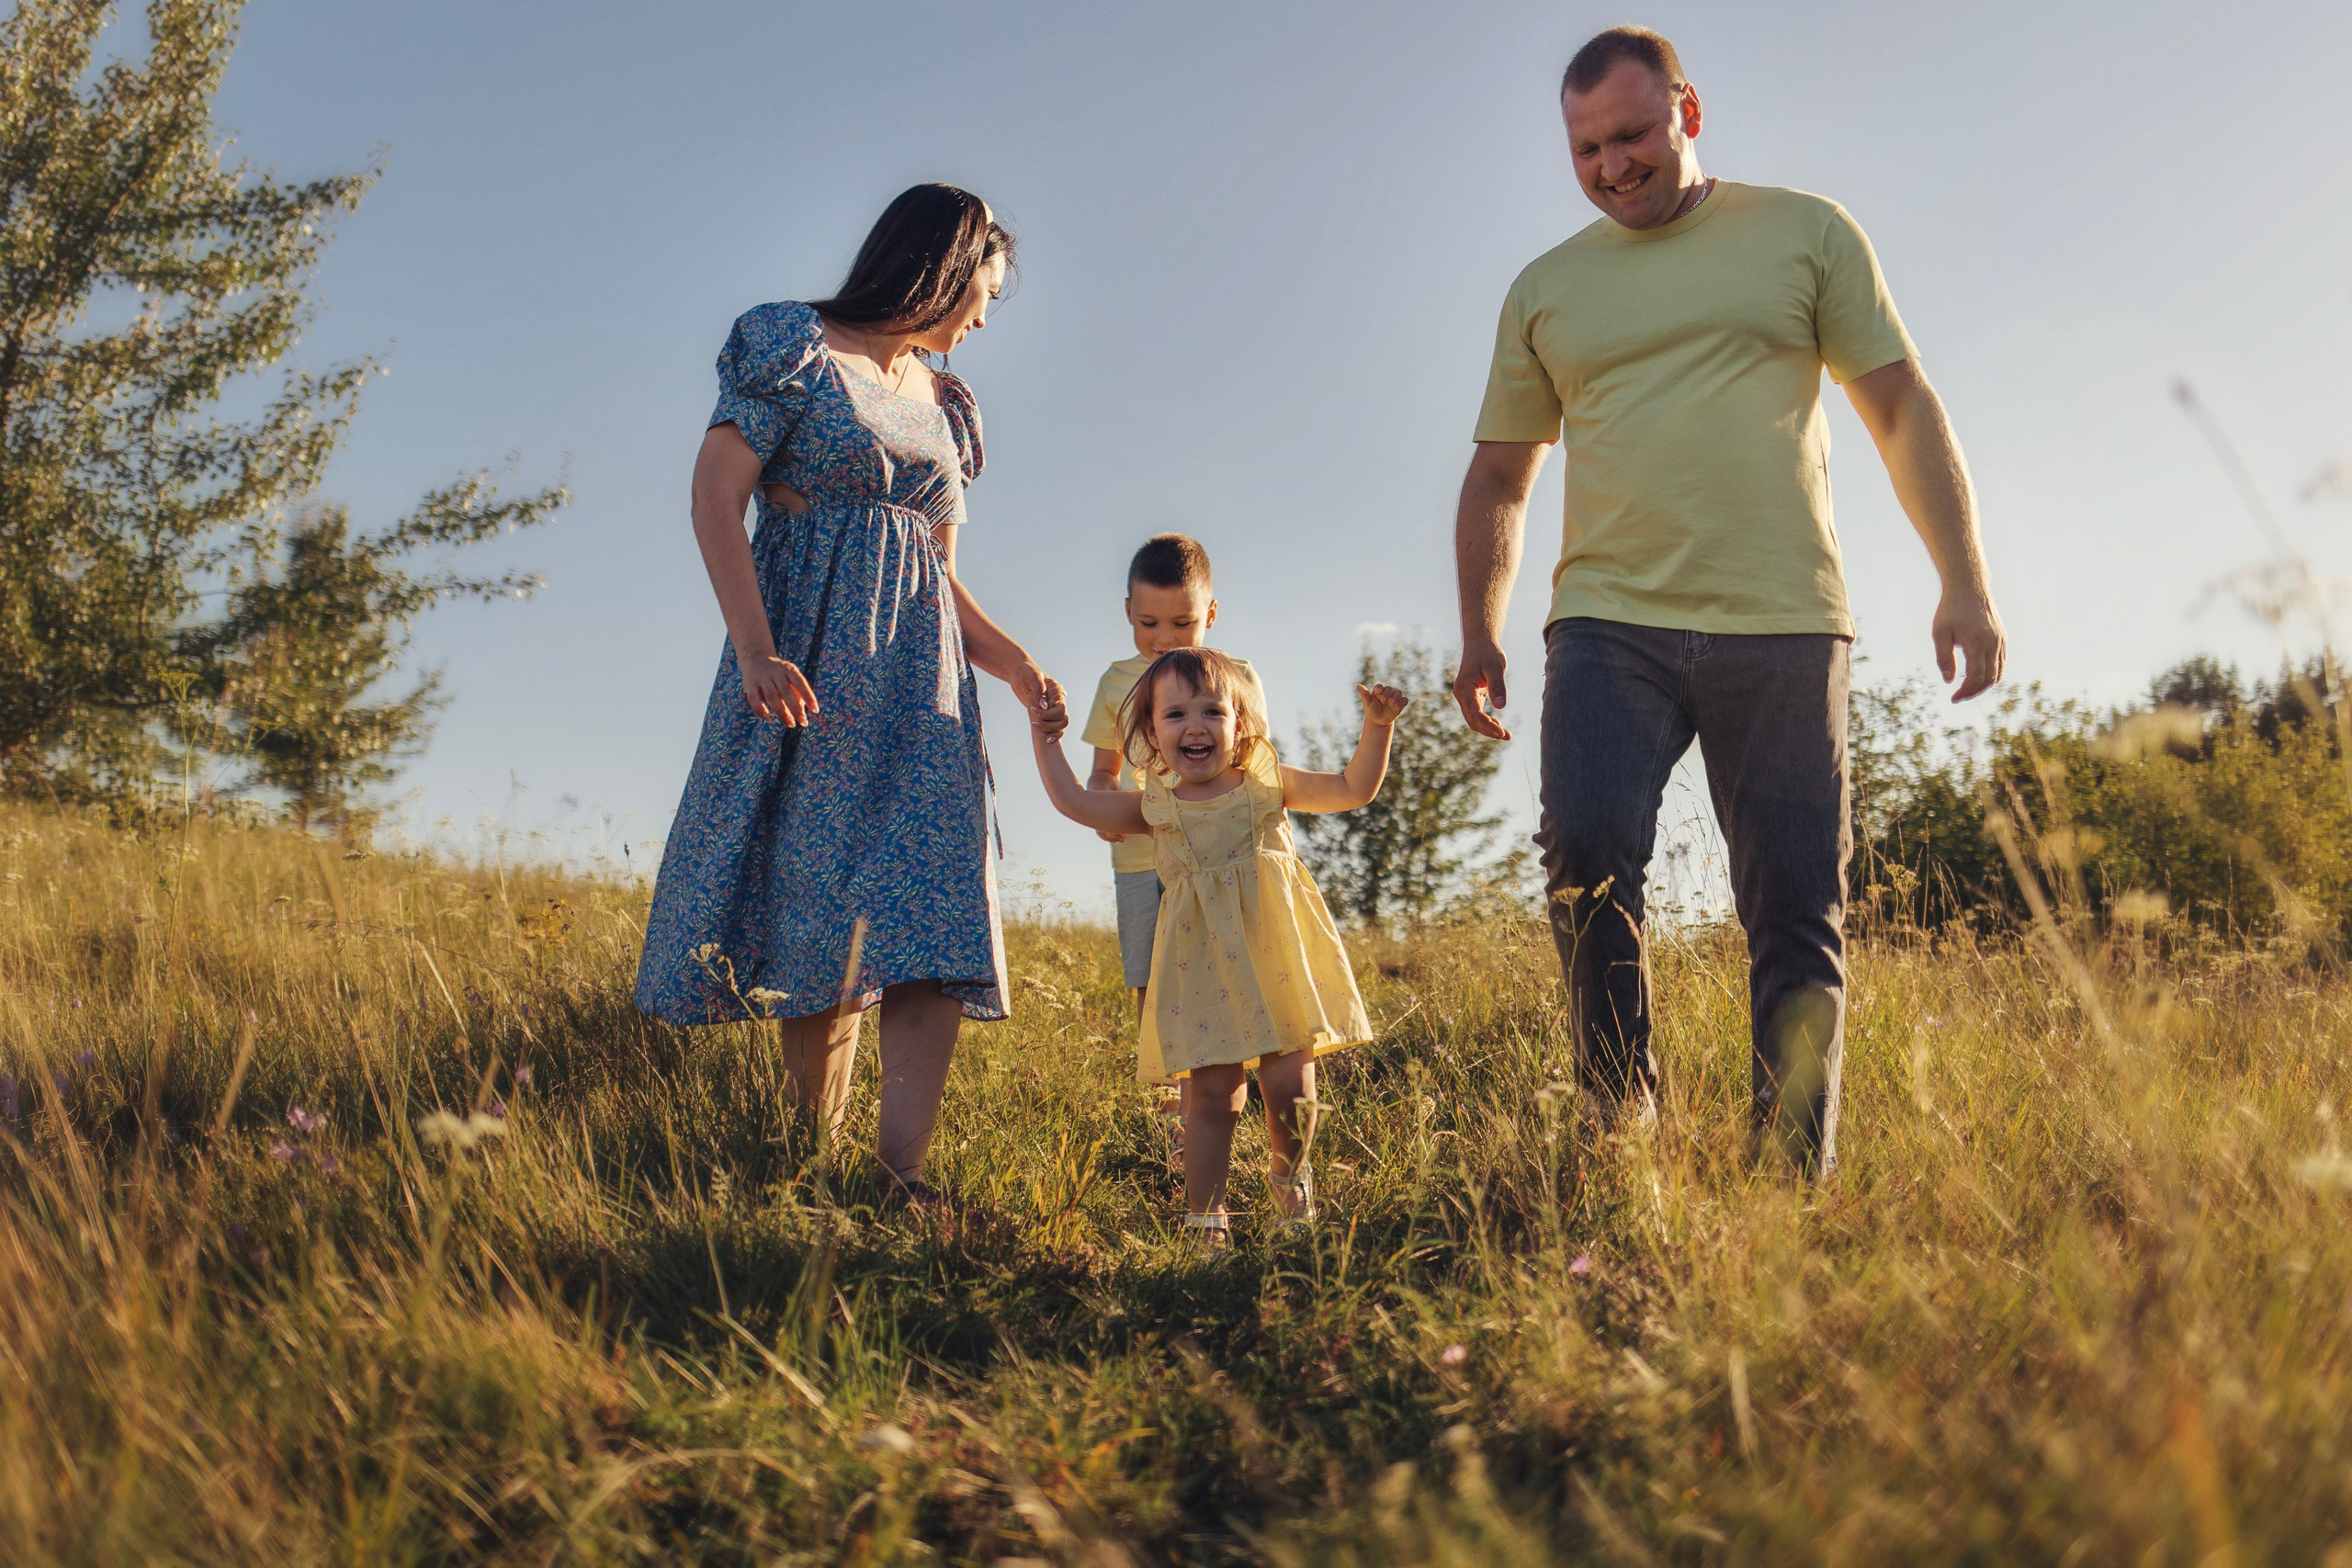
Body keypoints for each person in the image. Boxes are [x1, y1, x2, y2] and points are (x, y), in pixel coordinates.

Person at [1450, 28, 2006, 1175]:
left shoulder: (1803, 231)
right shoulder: (1546, 289)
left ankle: (1785, 1181)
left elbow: (1900, 406)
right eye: (1586, 147)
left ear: (1686, 111)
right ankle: (1619, 1115)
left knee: (1797, 909)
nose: (1611, 165)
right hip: (1607, 622)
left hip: (1784, 618)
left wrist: (1963, 580)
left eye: (1631, 135)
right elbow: (1502, 475)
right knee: (1585, 858)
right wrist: (1478, 627)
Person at [636, 184, 1066, 1205]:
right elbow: (715, 494)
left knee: (934, 916)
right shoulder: (790, 344)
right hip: (815, 666)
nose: (983, 319)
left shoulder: (947, 406)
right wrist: (754, 647)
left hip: (927, 691)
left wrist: (1013, 665)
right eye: (985, 293)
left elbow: (940, 575)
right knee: (826, 918)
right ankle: (805, 1166)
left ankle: (897, 1177)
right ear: (947, 268)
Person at [1034, 647, 1406, 1247]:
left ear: (1240, 723)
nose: (1196, 725)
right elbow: (1077, 802)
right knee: (1213, 1097)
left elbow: (1351, 788)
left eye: (1213, 710)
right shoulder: (1158, 806)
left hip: (1275, 957)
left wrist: (1378, 728)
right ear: (1151, 732)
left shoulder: (1266, 784)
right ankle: (1206, 1223)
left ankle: (1291, 1190)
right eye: (1175, 714)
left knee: (1290, 1084)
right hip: (1201, 967)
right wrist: (1046, 741)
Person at [1079, 535, 1266, 1155]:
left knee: (1227, 971)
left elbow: (1259, 769)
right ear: (1127, 612)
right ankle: (1168, 1104)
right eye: (1149, 622)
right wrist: (1102, 800)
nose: (1165, 638)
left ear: (1211, 613)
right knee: (1150, 976)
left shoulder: (1236, 679)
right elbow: (1104, 771)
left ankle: (1227, 1083)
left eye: (1183, 621)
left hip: (1222, 865)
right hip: (1141, 861)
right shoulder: (1117, 682)